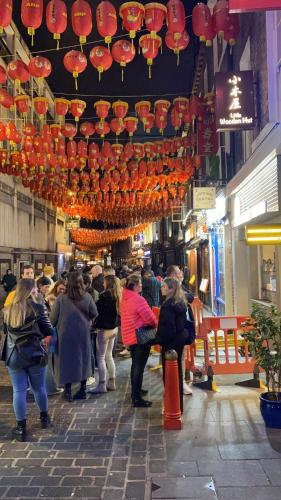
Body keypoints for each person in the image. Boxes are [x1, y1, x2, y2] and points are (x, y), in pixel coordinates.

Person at [2, 279, 53, 441]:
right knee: (39, 388)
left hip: (14, 355)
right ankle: (44, 418)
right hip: (34, 353)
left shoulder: (7, 310)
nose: (37, 292)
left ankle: (21, 427)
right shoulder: (37, 308)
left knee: (18, 391)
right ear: (30, 292)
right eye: (35, 290)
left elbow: (5, 330)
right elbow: (47, 330)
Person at [50, 271, 98, 402]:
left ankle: (68, 391)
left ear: (68, 283)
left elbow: (52, 319)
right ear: (81, 282)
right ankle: (82, 390)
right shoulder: (87, 297)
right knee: (83, 359)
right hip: (83, 334)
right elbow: (94, 313)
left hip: (65, 335)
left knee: (66, 362)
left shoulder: (61, 298)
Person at [120, 274, 157, 408]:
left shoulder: (125, 298)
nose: (141, 286)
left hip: (130, 336)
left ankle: (136, 391)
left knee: (135, 365)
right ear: (135, 286)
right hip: (140, 337)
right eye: (140, 284)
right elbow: (150, 318)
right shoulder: (138, 299)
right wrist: (155, 324)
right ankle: (136, 398)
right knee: (139, 368)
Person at [155, 278, 189, 414]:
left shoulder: (169, 305)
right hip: (178, 342)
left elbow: (167, 328)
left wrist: (157, 339)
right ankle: (177, 406)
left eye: (163, 286)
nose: (161, 288)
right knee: (177, 374)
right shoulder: (179, 302)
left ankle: (172, 407)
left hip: (170, 344)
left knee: (169, 376)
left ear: (170, 289)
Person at [89, 275, 122, 394]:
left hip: (104, 330)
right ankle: (112, 382)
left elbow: (96, 311)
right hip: (114, 329)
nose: (103, 284)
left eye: (104, 282)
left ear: (108, 283)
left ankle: (102, 384)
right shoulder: (117, 295)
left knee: (101, 357)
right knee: (109, 355)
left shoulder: (104, 296)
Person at [165, 264, 194, 395]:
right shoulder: (169, 289)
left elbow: (191, 296)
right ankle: (177, 385)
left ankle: (179, 383)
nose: (181, 274)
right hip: (176, 332)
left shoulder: (179, 288)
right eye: (178, 272)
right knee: (176, 358)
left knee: (180, 357)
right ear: (172, 275)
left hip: (183, 329)